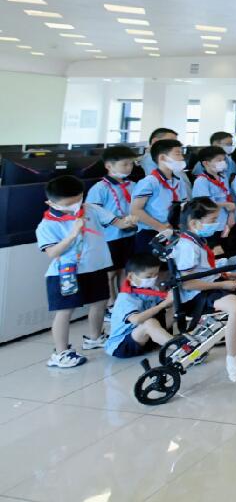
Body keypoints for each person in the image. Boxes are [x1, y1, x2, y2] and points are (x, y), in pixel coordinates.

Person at [171, 198, 236, 382]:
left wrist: (227, 275)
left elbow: (203, 270)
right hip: (197, 295)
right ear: (194, 223)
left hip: (208, 286)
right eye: (213, 220)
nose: (217, 223)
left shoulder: (195, 240)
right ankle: (233, 362)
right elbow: (188, 284)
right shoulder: (187, 246)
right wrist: (221, 284)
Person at [38, 175, 115, 367]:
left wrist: (129, 221)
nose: (75, 206)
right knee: (65, 311)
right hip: (66, 272)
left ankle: (94, 338)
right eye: (68, 204)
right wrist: (72, 234)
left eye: (78, 200)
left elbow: (115, 221)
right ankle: (60, 353)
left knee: (100, 302)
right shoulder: (48, 224)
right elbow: (52, 252)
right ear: (51, 203)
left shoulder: (90, 209)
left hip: (94, 267)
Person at [85, 145, 139, 310]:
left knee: (125, 270)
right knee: (110, 272)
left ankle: (124, 303)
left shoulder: (133, 185)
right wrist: (117, 221)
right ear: (109, 166)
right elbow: (93, 213)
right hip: (110, 236)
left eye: (131, 164)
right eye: (125, 164)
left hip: (130, 234)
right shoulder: (100, 188)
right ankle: (111, 304)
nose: (129, 167)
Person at [104, 252, 173, 358]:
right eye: (148, 276)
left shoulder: (151, 289)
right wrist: (163, 305)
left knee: (173, 309)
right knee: (150, 322)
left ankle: (179, 338)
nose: (153, 279)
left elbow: (165, 306)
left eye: (156, 275)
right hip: (122, 345)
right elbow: (136, 320)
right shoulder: (125, 297)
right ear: (131, 276)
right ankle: (181, 347)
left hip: (143, 338)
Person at [130, 138, 191, 253]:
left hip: (173, 231)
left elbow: (183, 204)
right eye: (177, 154)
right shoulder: (149, 182)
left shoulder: (178, 181)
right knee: (151, 264)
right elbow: (135, 210)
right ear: (162, 158)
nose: (182, 158)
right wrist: (161, 228)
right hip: (151, 232)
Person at [190, 146, 236, 253]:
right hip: (210, 224)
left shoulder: (223, 177)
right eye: (219, 160)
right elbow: (203, 204)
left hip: (224, 222)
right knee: (213, 252)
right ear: (206, 163)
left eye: (223, 160)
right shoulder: (201, 181)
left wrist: (231, 215)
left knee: (224, 250)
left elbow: (228, 197)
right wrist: (226, 205)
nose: (223, 162)